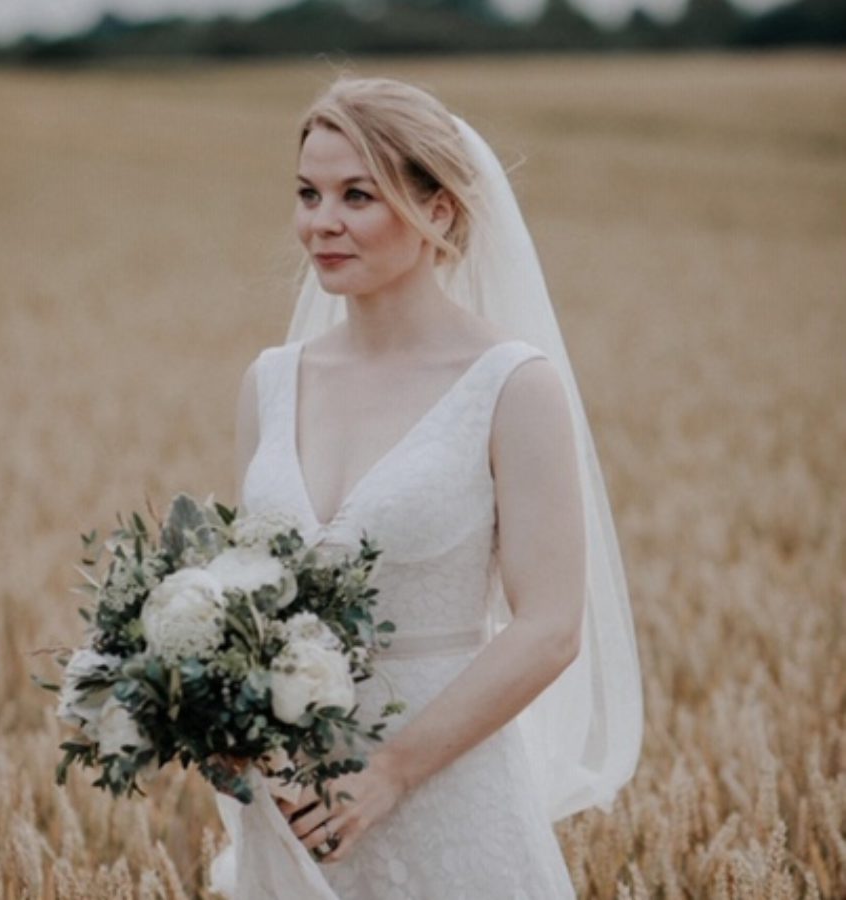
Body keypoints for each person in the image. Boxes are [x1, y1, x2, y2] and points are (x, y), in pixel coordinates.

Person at [210, 74, 642, 899]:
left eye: (357, 195)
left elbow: (550, 626)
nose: (321, 222)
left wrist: (389, 772)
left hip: (448, 788)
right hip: (298, 806)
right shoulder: (269, 383)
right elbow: (251, 606)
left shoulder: (511, 386)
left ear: (437, 211)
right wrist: (227, 728)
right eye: (308, 193)